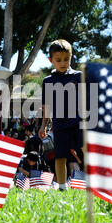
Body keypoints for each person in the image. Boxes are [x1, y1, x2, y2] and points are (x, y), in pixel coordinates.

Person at [39, 39, 83, 191]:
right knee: (60, 156)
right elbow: (47, 106)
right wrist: (43, 125)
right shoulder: (48, 81)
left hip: (79, 122)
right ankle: (63, 187)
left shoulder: (78, 76)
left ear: (71, 57)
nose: (63, 63)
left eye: (66, 59)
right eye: (58, 60)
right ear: (50, 60)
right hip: (60, 124)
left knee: (85, 150)